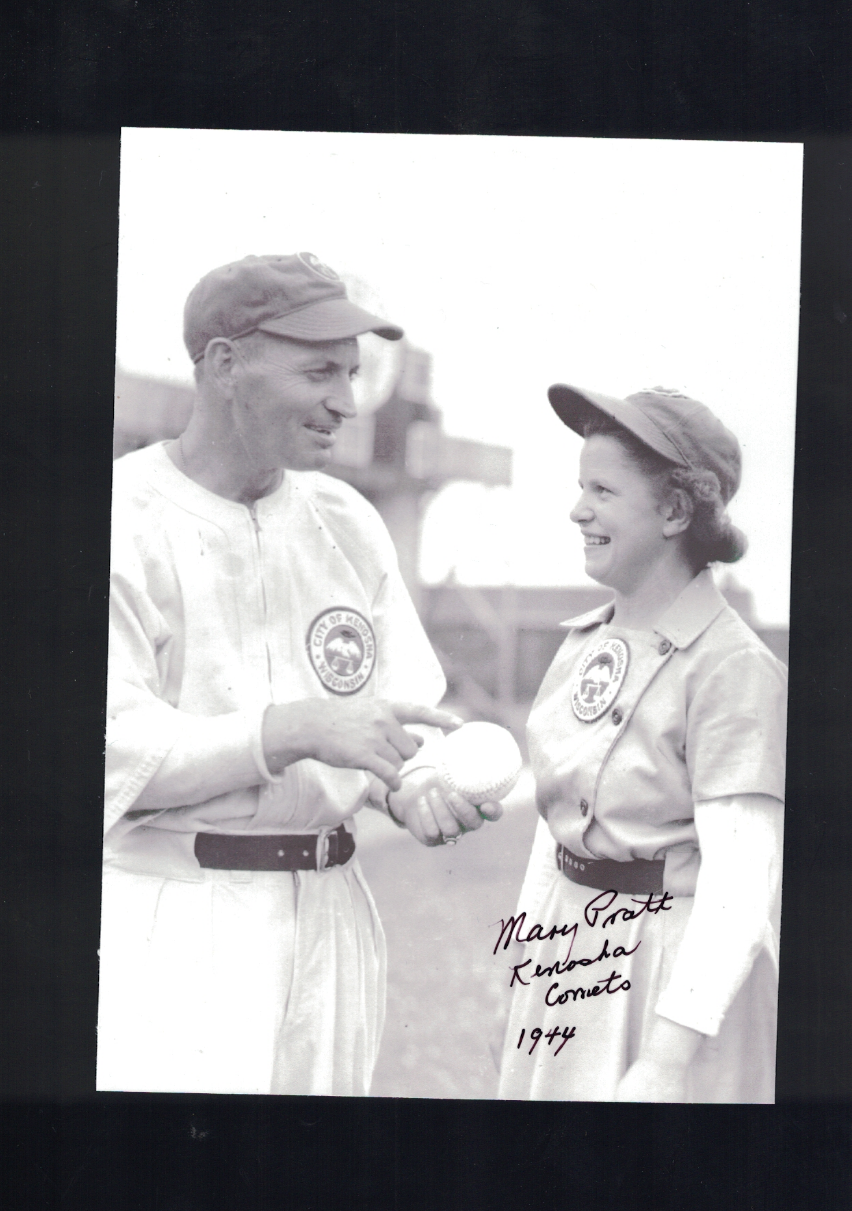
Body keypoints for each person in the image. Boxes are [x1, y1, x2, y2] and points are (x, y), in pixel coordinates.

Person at [97, 252, 498, 1096]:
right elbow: (105, 751)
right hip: (178, 910)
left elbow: (399, 720)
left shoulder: (345, 521)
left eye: (352, 374)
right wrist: (292, 728)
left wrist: (413, 786)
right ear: (224, 364)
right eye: (320, 370)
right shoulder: (119, 517)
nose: (345, 404)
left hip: (330, 908)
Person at [496, 384, 786, 1103]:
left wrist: (662, 1061)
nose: (577, 509)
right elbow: (552, 832)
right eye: (578, 486)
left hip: (670, 981)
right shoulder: (582, 644)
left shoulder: (733, 666)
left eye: (602, 489)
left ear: (675, 510)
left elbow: (740, 888)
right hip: (568, 954)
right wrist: (527, 976)